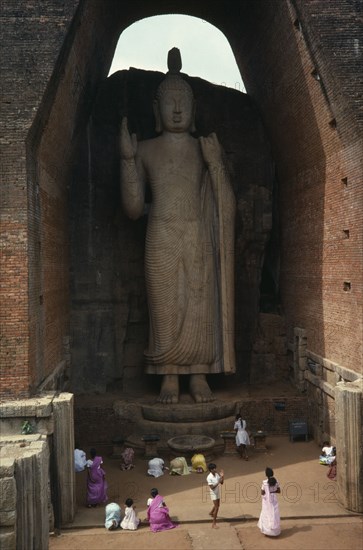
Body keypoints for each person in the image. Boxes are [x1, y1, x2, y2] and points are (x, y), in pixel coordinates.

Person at [120, 47, 236, 404]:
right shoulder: (147, 150)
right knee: (165, 309)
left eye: (183, 101)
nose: (176, 109)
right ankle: (169, 376)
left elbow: (224, 201)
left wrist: (216, 165)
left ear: (194, 108)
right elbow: (133, 208)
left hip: (197, 234)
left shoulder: (205, 148)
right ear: (157, 109)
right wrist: (126, 159)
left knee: (200, 306)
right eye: (169, 101)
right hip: (161, 234)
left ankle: (199, 374)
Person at [257, 467, 281, 537]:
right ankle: (275, 531)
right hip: (274, 500)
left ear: (266, 474)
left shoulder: (264, 483)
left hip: (266, 501)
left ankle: (267, 531)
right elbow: (279, 491)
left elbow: (262, 492)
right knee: (274, 514)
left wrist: (268, 492)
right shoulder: (276, 482)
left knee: (266, 514)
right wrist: (272, 491)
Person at [206, 463, 224, 528]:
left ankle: (211, 513)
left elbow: (222, 482)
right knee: (217, 507)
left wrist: (222, 476)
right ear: (211, 470)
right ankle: (213, 524)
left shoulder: (216, 474)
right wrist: (218, 481)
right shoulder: (209, 477)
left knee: (217, 505)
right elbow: (212, 487)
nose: (215, 469)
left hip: (217, 492)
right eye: (214, 468)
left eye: (215, 468)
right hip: (213, 493)